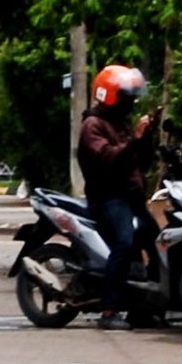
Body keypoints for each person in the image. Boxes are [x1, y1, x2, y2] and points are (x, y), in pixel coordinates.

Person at [75, 64, 158, 331]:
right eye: (126, 96)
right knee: (124, 244)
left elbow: (139, 163)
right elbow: (109, 159)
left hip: (131, 197)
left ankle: (143, 307)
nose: (130, 101)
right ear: (109, 95)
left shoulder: (119, 124)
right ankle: (109, 310)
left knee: (153, 238)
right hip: (109, 199)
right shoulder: (93, 126)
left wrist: (145, 139)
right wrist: (133, 139)